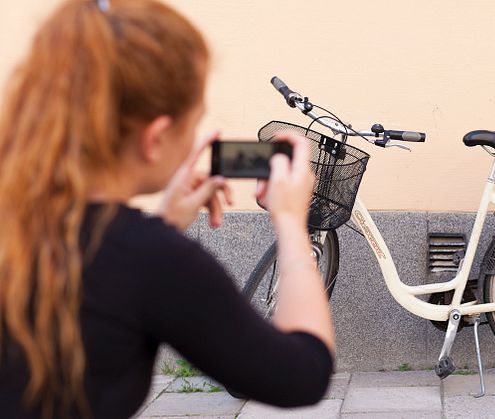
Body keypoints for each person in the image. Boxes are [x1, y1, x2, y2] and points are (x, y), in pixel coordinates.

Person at [0, 1, 335, 418]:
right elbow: (301, 374)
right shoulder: (151, 259)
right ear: (156, 138)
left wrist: (163, 223)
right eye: (193, 120)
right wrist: (290, 222)